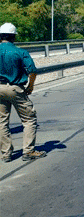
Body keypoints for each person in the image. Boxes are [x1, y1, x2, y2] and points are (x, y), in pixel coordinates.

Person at [0, 23, 46, 162]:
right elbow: (32, 70)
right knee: (29, 119)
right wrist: (30, 87)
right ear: (14, 36)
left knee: (2, 122)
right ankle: (28, 151)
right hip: (15, 88)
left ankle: (6, 154)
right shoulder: (20, 52)